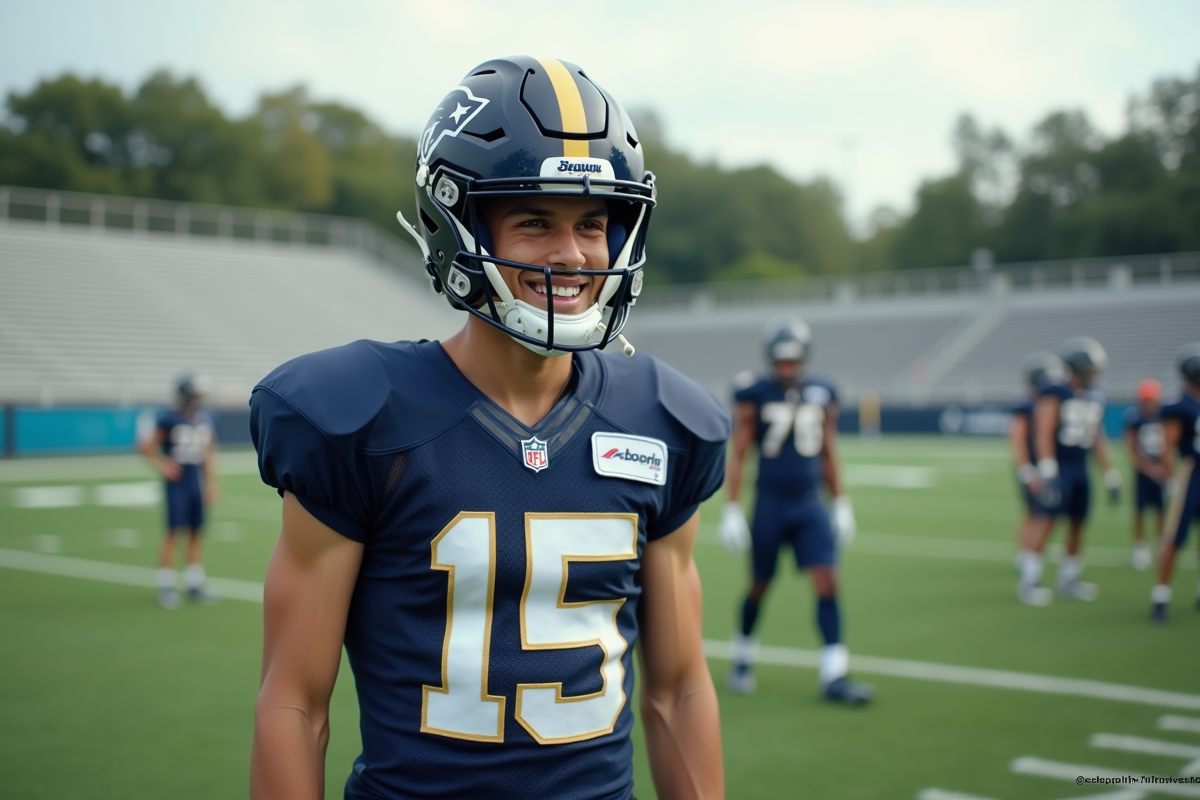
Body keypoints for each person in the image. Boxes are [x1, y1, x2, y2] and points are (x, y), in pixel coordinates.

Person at [248, 56, 728, 800]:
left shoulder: (661, 420)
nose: (571, 253)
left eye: (593, 224)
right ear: (456, 220)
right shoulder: (362, 416)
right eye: (535, 220)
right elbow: (294, 703)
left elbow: (677, 690)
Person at [719, 317, 873, 706]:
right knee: (759, 584)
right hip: (769, 502)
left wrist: (841, 502)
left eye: (793, 360)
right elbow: (738, 453)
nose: (786, 367)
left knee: (827, 581)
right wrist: (732, 508)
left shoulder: (822, 392)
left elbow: (828, 452)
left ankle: (834, 673)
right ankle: (743, 655)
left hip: (809, 504)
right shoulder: (754, 393)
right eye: (780, 360)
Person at [1017, 336, 1121, 606]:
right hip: (1060, 465)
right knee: (1047, 520)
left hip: (1080, 466)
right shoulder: (1055, 391)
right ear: (1079, 367)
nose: (1095, 374)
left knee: (1078, 524)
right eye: (1091, 369)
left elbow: (1097, 436)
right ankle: (1029, 581)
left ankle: (1069, 578)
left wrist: (1109, 472)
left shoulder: (1094, 396)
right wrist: (1048, 468)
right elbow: (1043, 432)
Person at [138, 374, 219, 608]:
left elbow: (209, 452)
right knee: (173, 532)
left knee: (196, 531)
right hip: (177, 483)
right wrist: (162, 465)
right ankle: (166, 585)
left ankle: (194, 583)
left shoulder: (205, 419)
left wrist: (212, 482)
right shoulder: (169, 418)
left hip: (195, 481)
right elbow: (146, 447)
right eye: (195, 395)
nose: (199, 400)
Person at [1151, 342, 1200, 621]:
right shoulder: (1178, 403)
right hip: (1191, 473)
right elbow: (1167, 447)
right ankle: (1160, 596)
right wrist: (1172, 480)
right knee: (1175, 537)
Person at [1010, 352, 1066, 569]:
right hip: (1033, 466)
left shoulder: (1049, 401)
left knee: (1039, 513)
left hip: (1045, 465)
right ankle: (1025, 555)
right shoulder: (1026, 404)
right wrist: (1027, 471)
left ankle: (1027, 553)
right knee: (1034, 513)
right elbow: (1018, 439)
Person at [1124, 378, 1167, 571]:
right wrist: (1150, 469)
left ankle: (1160, 545)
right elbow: (1131, 450)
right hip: (1143, 472)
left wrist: (1167, 471)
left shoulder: (1163, 416)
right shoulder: (1135, 417)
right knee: (1140, 511)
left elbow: (1169, 447)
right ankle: (1140, 548)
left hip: (1161, 471)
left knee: (1161, 510)